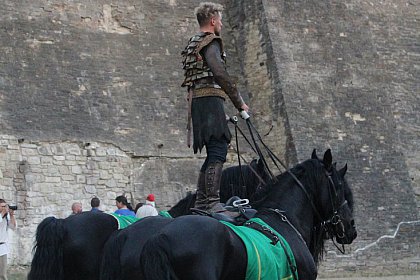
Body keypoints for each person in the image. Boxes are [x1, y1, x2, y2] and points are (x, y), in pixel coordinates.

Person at [181, 2, 249, 211]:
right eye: (219, 20)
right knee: (219, 148)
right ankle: (210, 202)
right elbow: (219, 72)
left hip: (199, 102)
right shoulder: (211, 41)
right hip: (209, 101)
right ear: (212, 20)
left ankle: (202, 202)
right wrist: (239, 103)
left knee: (213, 150)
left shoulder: (194, 42)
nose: (221, 23)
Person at [0, 199, 16, 280]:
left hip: (2, 248)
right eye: (2, 206)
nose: (4, 208)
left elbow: (13, 227)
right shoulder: (2, 215)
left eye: (5, 206)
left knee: (2, 274)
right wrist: (2, 213)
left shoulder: (6, 216)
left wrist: (12, 215)